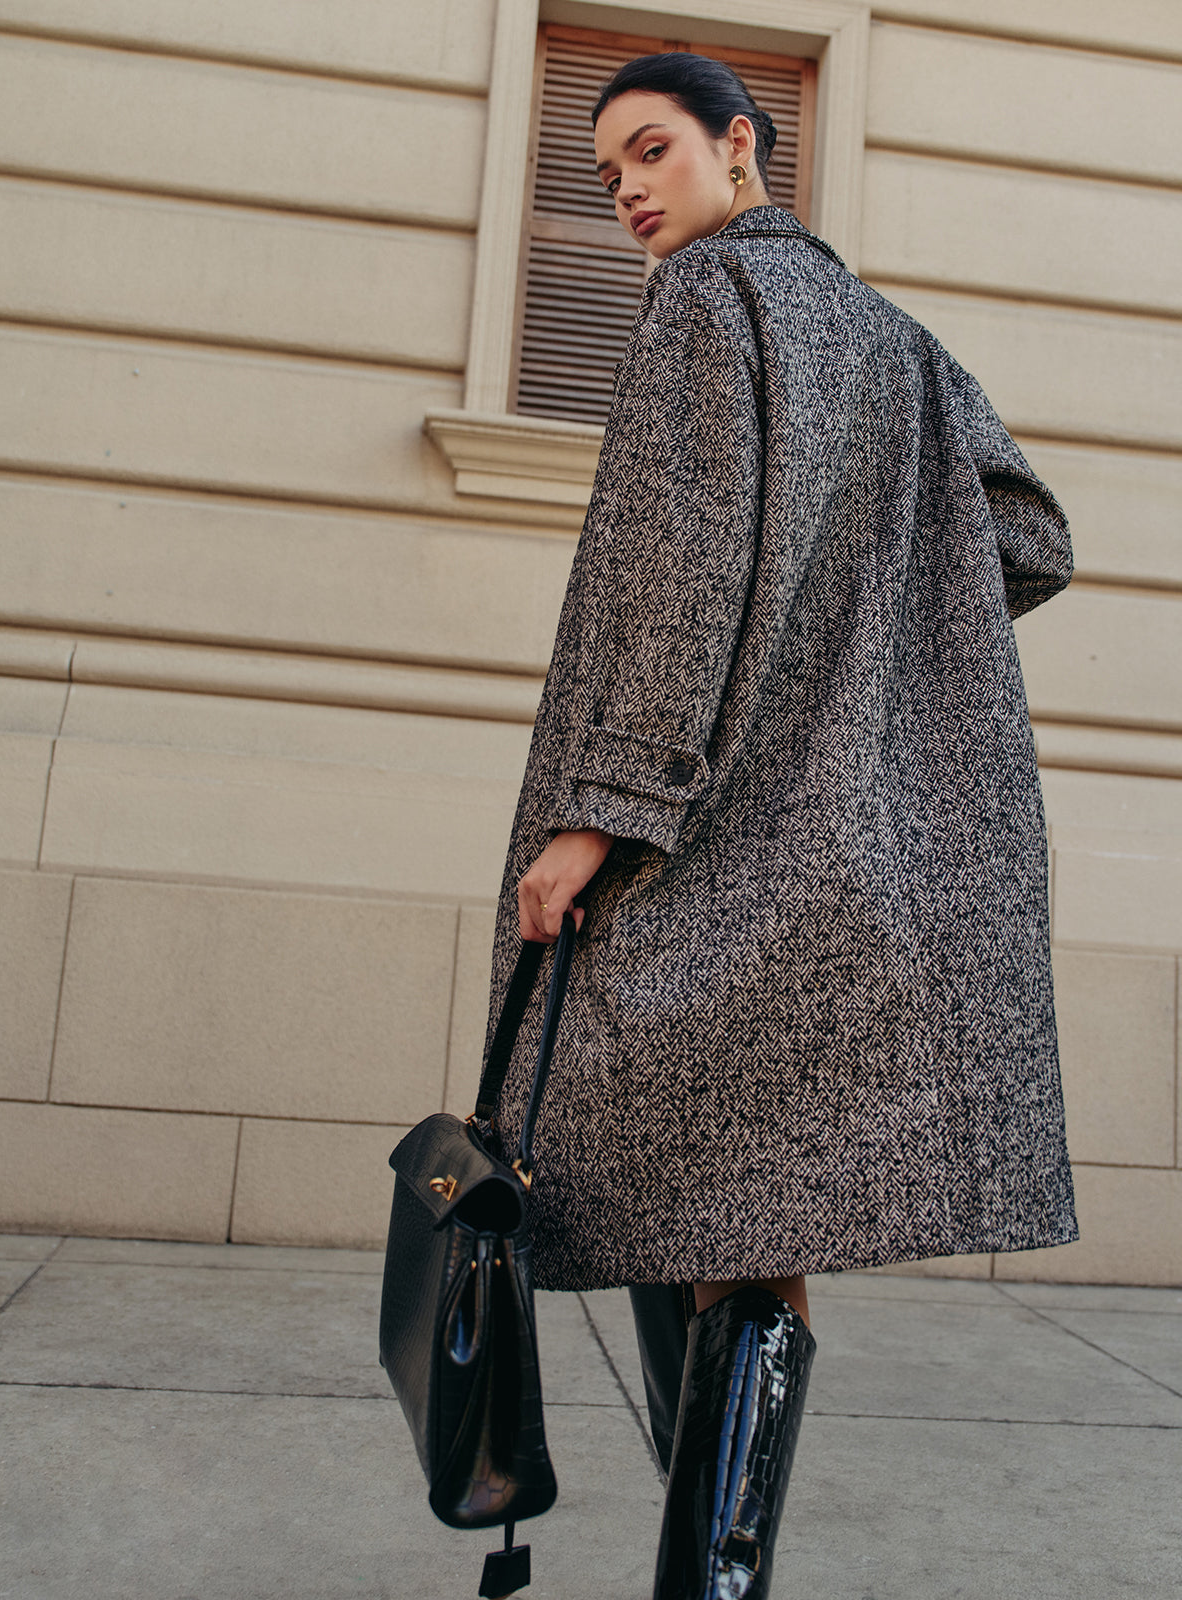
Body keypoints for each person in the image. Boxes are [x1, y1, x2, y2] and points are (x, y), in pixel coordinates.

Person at [482, 51, 1078, 1599]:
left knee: (679, 1200)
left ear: (740, 145)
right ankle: (720, 1573)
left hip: (709, 852)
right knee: (742, 1231)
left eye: (652, 150)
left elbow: (685, 577)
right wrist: (864, 622)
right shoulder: (893, 340)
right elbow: (1027, 537)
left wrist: (600, 814)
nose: (626, 189)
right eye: (606, 170)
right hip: (850, 871)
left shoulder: (707, 299)